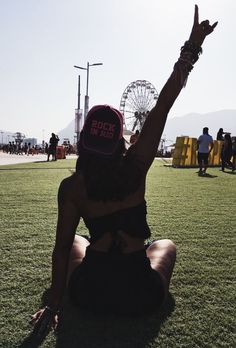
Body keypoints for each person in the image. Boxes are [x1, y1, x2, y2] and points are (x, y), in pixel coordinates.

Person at [31, 5, 217, 333]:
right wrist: (193, 45)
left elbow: (60, 250)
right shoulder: (136, 165)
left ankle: (100, 247)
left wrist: (55, 303)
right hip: (141, 296)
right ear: (120, 141)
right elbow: (164, 102)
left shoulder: (73, 187)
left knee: (76, 240)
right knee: (166, 245)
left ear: (85, 141)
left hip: (88, 294)